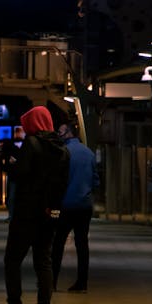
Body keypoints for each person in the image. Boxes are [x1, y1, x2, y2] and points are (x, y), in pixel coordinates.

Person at [0, 106, 69, 304]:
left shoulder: (32, 143)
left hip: (27, 212)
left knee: (12, 259)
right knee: (43, 261)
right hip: (50, 213)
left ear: (33, 124)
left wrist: (6, 163)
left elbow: (22, 173)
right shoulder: (62, 149)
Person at [51, 122, 100, 293]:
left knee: (57, 244)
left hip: (65, 205)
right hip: (84, 206)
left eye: (60, 131)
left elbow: (56, 180)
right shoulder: (89, 153)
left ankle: (52, 282)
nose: (58, 134)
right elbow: (96, 181)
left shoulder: (63, 153)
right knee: (82, 245)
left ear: (69, 133)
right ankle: (82, 283)